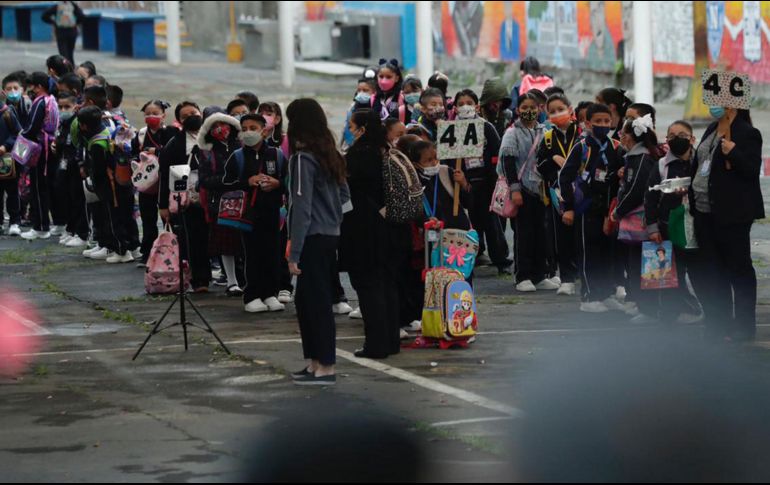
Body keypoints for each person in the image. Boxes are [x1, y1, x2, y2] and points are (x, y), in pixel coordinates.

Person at [286, 98, 350, 386]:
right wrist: (334, 218)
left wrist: (294, 251)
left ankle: (325, 366)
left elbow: (301, 207)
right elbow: (346, 197)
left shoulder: (302, 160)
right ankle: (315, 363)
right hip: (330, 236)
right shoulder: (331, 155)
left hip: (312, 237)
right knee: (307, 300)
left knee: (315, 302)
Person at [689, 104, 764, 342]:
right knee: (713, 271)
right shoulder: (712, 128)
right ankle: (719, 323)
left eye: (719, 102)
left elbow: (751, 169)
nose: (714, 106)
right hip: (704, 212)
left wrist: (733, 152)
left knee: (738, 270)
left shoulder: (747, 133)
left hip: (732, 214)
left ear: (732, 105)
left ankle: (743, 327)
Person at [341, 109, 409, 359]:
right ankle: (391, 340)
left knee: (368, 287)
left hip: (365, 229)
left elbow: (352, 190)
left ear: (363, 128)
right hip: (391, 226)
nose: (349, 129)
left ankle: (376, 344)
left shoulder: (360, 155)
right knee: (388, 285)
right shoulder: (387, 151)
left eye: (352, 125)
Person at [558, 104, 624, 313]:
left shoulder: (616, 147)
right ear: (588, 123)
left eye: (607, 121)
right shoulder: (581, 147)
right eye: (598, 122)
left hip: (609, 210)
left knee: (607, 254)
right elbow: (564, 177)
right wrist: (568, 207)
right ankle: (588, 297)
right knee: (589, 254)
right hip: (586, 209)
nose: (603, 125)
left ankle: (606, 293)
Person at [222, 114, 287, 311]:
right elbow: (225, 184)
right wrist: (247, 182)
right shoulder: (237, 157)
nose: (249, 132)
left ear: (264, 130)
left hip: (273, 213)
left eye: (253, 127)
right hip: (247, 216)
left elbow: (289, 182)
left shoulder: (276, 155)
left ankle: (270, 293)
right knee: (252, 254)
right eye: (245, 128)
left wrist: (277, 184)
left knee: (273, 253)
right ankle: (252, 295)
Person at [645, 121, 702, 324]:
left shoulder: (701, 161)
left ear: (692, 139)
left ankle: (699, 309)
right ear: (666, 140)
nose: (677, 138)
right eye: (672, 135)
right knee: (665, 273)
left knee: (698, 270)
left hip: (696, 227)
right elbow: (650, 198)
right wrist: (652, 227)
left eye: (682, 135)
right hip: (667, 227)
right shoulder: (661, 165)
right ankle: (669, 314)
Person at [500, 92, 554, 293]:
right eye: (524, 107)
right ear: (517, 110)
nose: (529, 111)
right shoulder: (512, 133)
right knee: (524, 234)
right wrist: (515, 189)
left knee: (542, 233)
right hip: (523, 190)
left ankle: (540, 275)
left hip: (542, 190)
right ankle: (522, 275)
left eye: (533, 107)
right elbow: (508, 162)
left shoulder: (545, 130)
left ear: (540, 109)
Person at [453, 88, 509, 275]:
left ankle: (501, 260)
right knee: (469, 223)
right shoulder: (451, 128)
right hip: (462, 182)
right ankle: (472, 258)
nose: (464, 107)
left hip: (486, 182)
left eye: (468, 103)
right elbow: (446, 157)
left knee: (492, 223)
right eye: (460, 104)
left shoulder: (486, 127)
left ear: (477, 106)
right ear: (454, 107)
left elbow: (497, 153)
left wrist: (495, 179)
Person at [158, 101, 212, 293]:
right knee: (191, 239)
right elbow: (165, 175)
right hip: (187, 199)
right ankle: (199, 280)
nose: (191, 117)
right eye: (185, 116)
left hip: (210, 195)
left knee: (209, 238)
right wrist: (163, 205)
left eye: (194, 113)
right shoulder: (174, 144)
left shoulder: (212, 137)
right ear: (179, 121)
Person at [611, 115, 659, 323]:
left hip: (641, 221)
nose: (620, 137)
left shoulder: (642, 159)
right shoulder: (635, 157)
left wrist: (618, 211)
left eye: (623, 133)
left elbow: (637, 191)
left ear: (631, 137)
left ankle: (649, 310)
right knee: (636, 263)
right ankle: (642, 305)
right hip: (636, 222)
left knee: (643, 265)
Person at [77, 105, 134, 263]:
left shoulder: (97, 143)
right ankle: (129, 247)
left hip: (109, 187)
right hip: (119, 183)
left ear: (84, 125)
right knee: (123, 217)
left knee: (113, 218)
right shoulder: (108, 132)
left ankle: (120, 250)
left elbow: (98, 169)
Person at [197, 109, 244, 298]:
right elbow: (204, 180)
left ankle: (246, 279)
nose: (219, 129)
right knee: (226, 244)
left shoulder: (242, 147)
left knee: (243, 243)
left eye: (222, 124)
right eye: (214, 126)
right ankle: (232, 281)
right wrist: (226, 181)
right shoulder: (207, 153)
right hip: (220, 204)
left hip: (245, 201)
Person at [537, 93, 580, 295]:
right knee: (562, 237)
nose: (557, 114)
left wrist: (571, 167)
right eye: (552, 111)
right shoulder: (547, 138)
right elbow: (541, 165)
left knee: (584, 236)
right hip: (558, 195)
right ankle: (567, 279)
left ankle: (587, 275)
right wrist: (554, 160)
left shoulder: (581, 134)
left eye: (560, 109)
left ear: (571, 110)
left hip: (582, 192)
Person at [132, 99, 177, 266]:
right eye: (148, 114)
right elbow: (135, 155)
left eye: (155, 113)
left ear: (163, 115)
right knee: (148, 220)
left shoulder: (172, 132)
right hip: (147, 185)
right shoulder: (142, 134)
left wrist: (156, 151)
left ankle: (174, 254)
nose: (151, 116)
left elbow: (175, 153)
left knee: (169, 219)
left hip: (166, 182)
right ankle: (147, 254)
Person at [20, 72, 59, 241]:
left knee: (37, 188)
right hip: (48, 147)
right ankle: (46, 224)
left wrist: (22, 136)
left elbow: (32, 127)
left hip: (39, 149)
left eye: (33, 86)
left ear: (39, 86)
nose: (31, 90)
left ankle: (41, 226)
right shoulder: (52, 101)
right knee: (44, 187)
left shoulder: (40, 103)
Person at [53, 91, 88, 247]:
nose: (63, 110)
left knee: (77, 199)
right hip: (64, 162)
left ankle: (80, 232)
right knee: (65, 196)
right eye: (60, 106)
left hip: (75, 164)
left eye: (67, 106)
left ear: (75, 106)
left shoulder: (77, 122)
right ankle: (71, 229)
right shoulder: (63, 122)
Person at [0, 92, 21, 236]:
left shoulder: (7, 113)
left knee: (12, 191)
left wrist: (6, 146)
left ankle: (15, 221)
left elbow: (18, 133)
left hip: (7, 159)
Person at [341, 78, 376, 151]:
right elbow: (346, 128)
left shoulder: (377, 109)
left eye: (365, 90)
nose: (361, 93)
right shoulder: (352, 108)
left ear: (374, 92)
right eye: (359, 90)